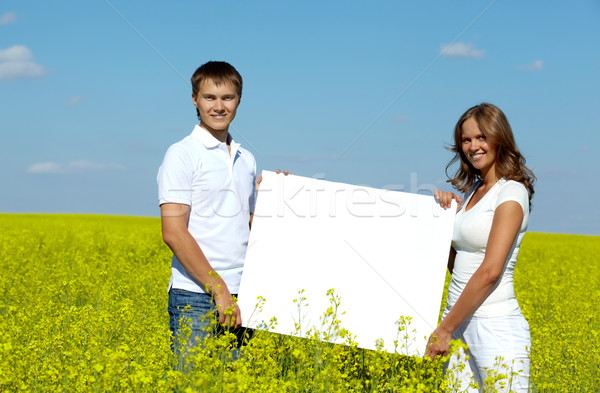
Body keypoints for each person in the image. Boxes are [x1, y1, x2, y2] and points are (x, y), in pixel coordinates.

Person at [426, 103, 535, 392]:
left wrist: (444, 329)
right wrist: (444, 215)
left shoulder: (511, 192)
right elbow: (457, 263)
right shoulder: (473, 192)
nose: (474, 146)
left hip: (494, 326)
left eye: (482, 137)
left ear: (500, 138)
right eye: (466, 139)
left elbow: (490, 271)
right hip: (459, 321)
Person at [157, 61, 261, 354]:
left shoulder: (247, 159)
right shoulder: (182, 154)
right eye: (209, 97)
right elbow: (174, 233)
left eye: (227, 97)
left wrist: (279, 196)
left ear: (238, 100)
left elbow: (251, 226)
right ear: (194, 99)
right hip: (196, 296)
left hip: (244, 295)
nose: (218, 106)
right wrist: (219, 290)